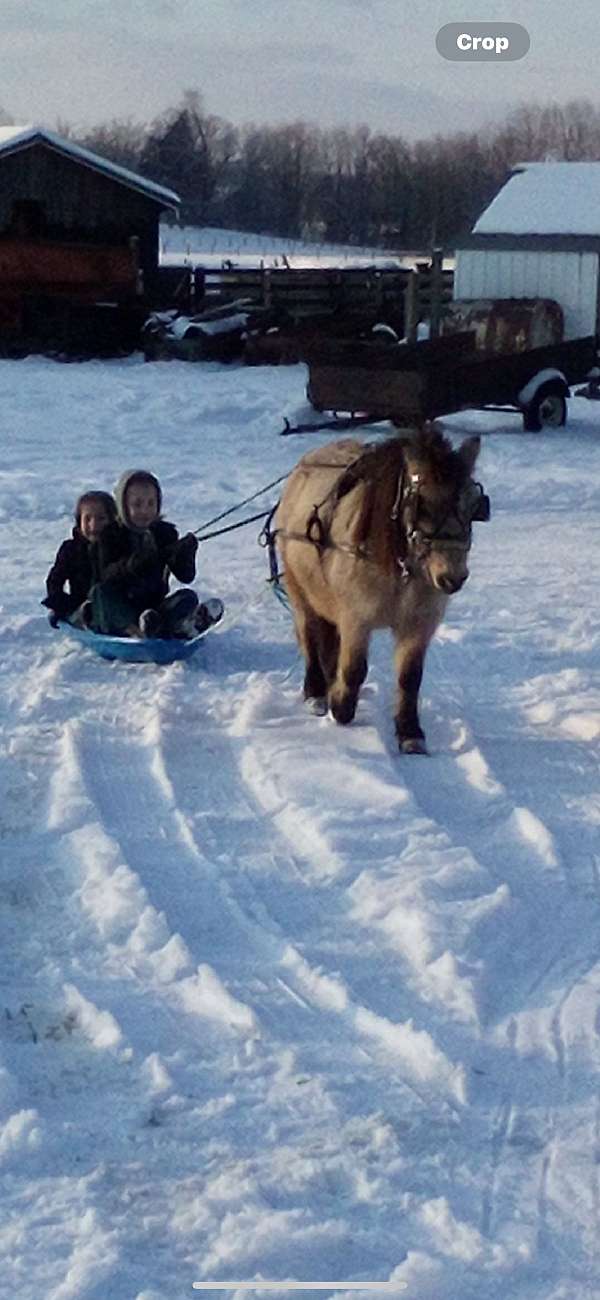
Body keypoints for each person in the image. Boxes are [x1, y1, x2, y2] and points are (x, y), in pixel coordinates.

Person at [90, 468, 223, 639]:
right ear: (123, 505)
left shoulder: (165, 532)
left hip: (153, 607)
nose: (145, 511)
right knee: (100, 593)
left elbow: (185, 575)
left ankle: (173, 625)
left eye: (151, 504)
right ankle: (137, 630)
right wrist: (138, 562)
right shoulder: (110, 534)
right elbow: (107, 575)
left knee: (188, 596)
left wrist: (186, 553)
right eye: (137, 505)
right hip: (121, 606)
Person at [42, 490, 117, 627]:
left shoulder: (118, 547)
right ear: (79, 521)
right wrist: (60, 604)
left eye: (101, 519)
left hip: (111, 607)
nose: (94, 525)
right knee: (78, 612)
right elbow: (55, 580)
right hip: (79, 604)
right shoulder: (71, 549)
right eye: (87, 519)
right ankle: (82, 617)